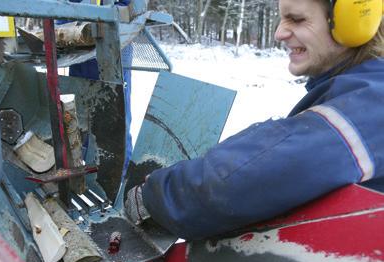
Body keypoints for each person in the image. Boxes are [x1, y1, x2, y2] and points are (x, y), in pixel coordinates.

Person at [125, 0, 384, 240]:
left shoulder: (372, 106)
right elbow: (283, 140)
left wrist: (158, 196)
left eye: (296, 19)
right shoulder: (362, 90)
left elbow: (251, 177)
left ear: (353, 24)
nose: (279, 33)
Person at [58, 0, 133, 178]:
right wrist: (65, 26)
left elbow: (129, 8)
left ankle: (117, 175)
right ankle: (83, 167)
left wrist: (113, 14)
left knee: (114, 110)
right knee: (80, 110)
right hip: (79, 41)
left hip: (114, 39)